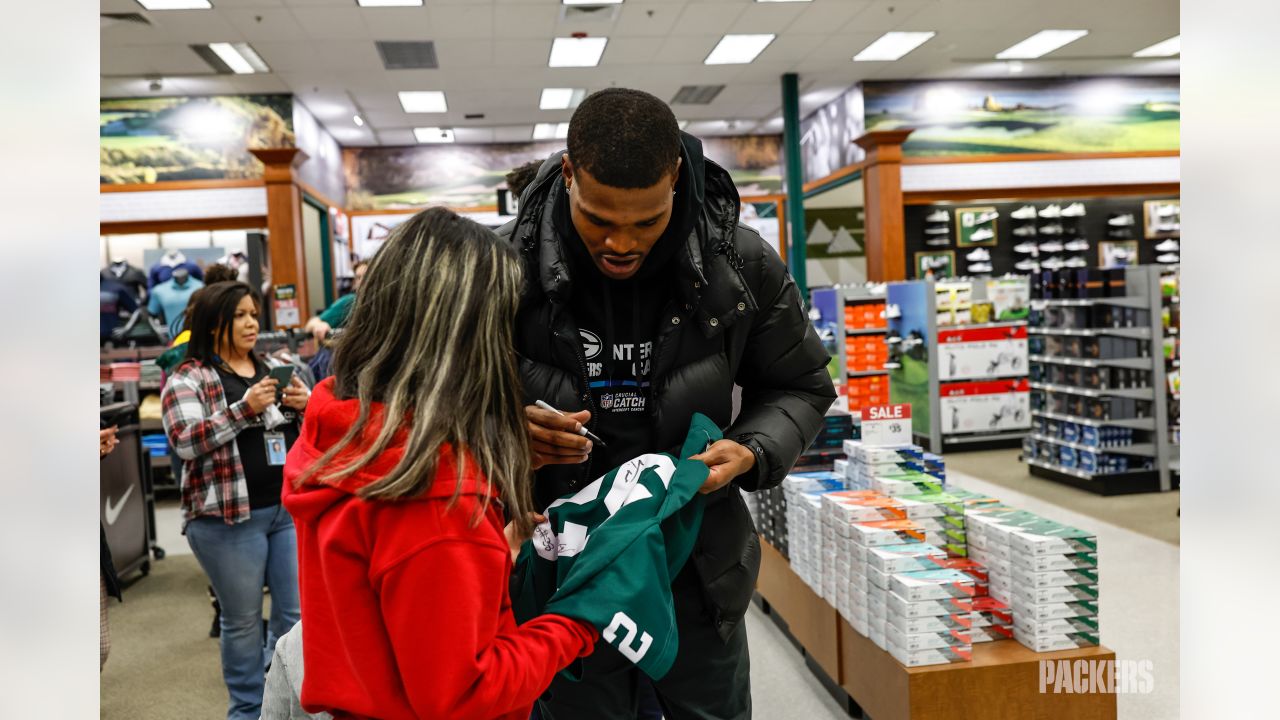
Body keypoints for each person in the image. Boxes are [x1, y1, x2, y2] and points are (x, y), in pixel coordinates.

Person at [500, 88, 836, 720]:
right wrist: (507, 431)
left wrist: (753, 449)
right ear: (569, 174)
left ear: (676, 178)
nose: (621, 244)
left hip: (696, 565)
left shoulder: (741, 262)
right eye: (599, 219)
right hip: (564, 567)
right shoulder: (501, 269)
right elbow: (438, 404)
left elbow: (802, 384)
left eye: (646, 222)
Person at [281, 206, 598, 720]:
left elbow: (383, 590)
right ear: (472, 335)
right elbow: (462, 694)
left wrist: (492, 530)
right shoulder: (439, 501)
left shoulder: (338, 430)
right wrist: (577, 623)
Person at [161, 282, 311, 720]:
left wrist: (307, 405)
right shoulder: (188, 378)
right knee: (243, 621)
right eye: (240, 315)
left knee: (295, 613)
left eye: (253, 313)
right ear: (215, 322)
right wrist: (244, 408)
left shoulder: (275, 366)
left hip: (285, 509)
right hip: (225, 519)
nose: (251, 323)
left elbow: (311, 434)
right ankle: (246, 710)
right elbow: (185, 442)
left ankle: (278, 698)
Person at [303, 260, 367, 341]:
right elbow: (311, 324)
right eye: (358, 277)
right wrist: (320, 325)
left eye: (366, 276)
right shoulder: (350, 302)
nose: (361, 281)